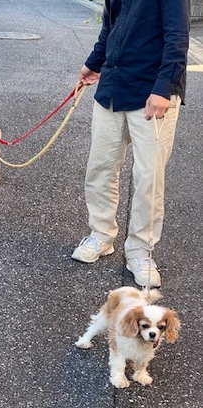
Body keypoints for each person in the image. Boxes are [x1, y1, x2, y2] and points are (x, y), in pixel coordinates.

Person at [72, 0, 190, 287]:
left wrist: (164, 88)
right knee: (100, 167)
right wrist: (93, 63)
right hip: (113, 86)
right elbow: (110, 27)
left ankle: (140, 251)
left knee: (149, 177)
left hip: (153, 93)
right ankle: (101, 235)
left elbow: (177, 37)